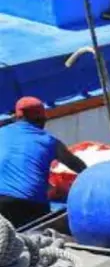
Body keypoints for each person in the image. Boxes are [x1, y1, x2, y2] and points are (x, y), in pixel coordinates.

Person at [0, 97, 87, 228]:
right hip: (30, 205)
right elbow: (78, 166)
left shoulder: (2, 132)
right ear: (43, 120)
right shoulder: (49, 141)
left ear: (17, 117)